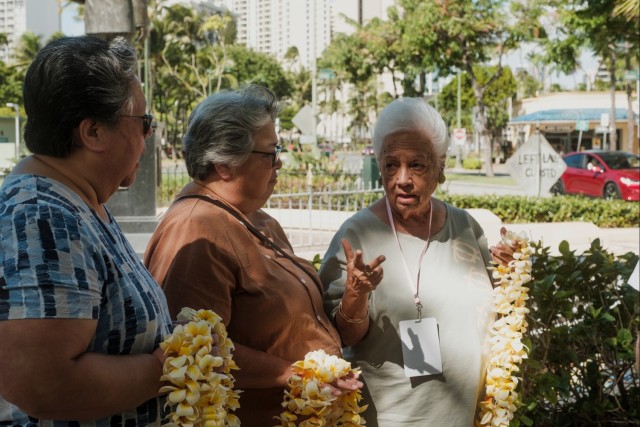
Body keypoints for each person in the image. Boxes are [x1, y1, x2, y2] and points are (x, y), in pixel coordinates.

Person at [144, 84, 385, 425]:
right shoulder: (196, 230)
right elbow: (196, 352)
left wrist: (355, 296)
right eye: (270, 152)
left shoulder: (258, 220)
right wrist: (295, 374)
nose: (280, 162)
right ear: (225, 164)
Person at [0, 36, 174, 425]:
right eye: (143, 123)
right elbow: (45, 384)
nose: (148, 138)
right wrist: (167, 369)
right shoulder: (42, 217)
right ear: (93, 132)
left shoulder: (77, 201)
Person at [319, 97, 498, 426]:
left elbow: (495, 309)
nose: (402, 178)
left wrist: (513, 269)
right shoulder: (357, 234)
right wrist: (356, 294)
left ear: (440, 168)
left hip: (464, 415)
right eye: (391, 165)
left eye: (417, 165)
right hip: (390, 417)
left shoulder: (465, 227)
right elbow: (343, 335)